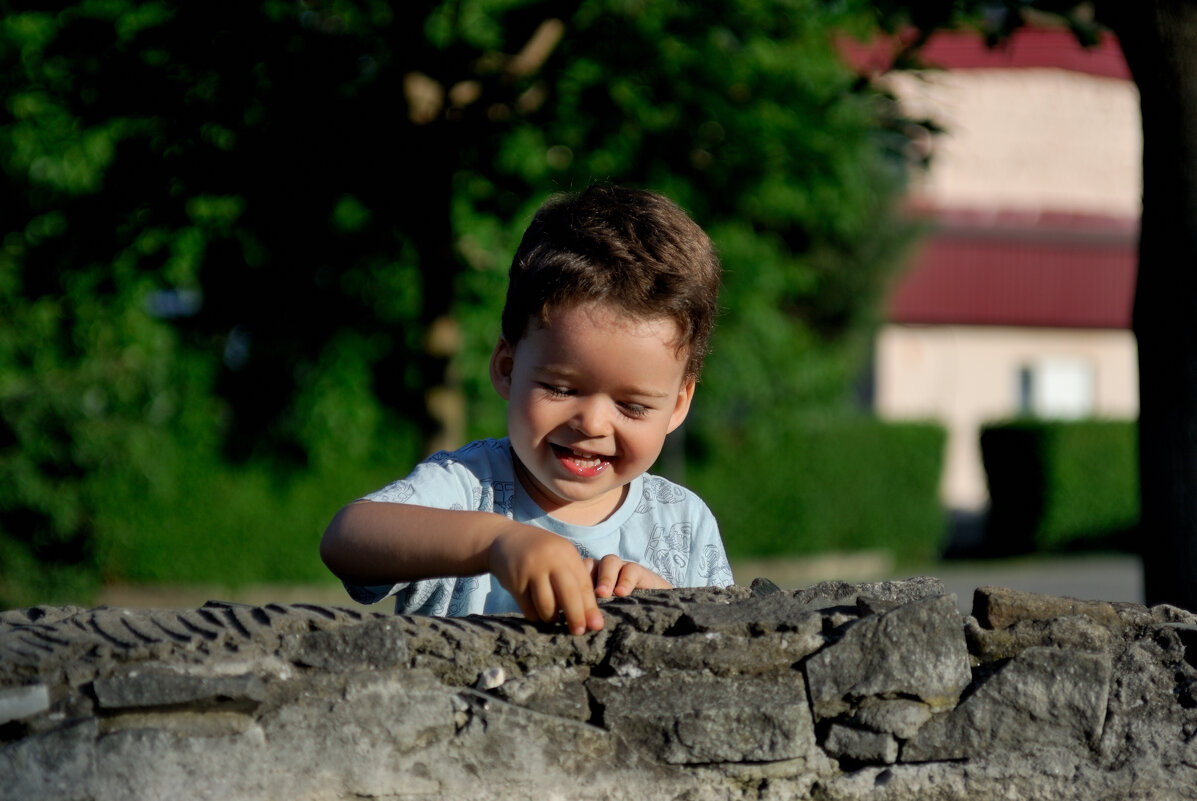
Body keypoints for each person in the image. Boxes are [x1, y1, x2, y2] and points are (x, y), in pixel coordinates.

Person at [320, 183, 733, 635]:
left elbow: (728, 648)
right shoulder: (469, 490)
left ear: (677, 406)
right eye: (560, 388)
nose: (592, 423)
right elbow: (345, 539)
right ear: (506, 368)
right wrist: (495, 543)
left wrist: (670, 611)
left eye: (631, 406)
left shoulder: (683, 522)